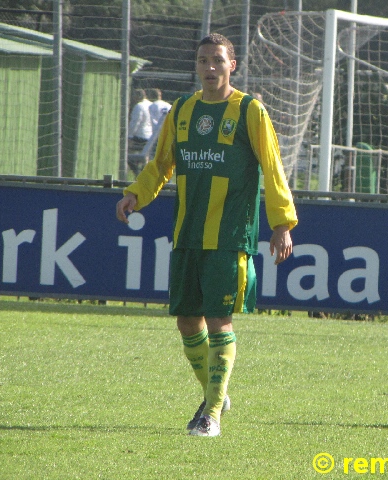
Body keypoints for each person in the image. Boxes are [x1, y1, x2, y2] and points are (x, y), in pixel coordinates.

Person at [116, 33, 298, 437]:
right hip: (188, 233)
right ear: (196, 66)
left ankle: (211, 415)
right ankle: (217, 391)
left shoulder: (250, 110)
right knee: (186, 323)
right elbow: (161, 164)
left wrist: (282, 223)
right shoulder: (181, 110)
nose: (210, 67)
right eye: (203, 60)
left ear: (232, 65)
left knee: (219, 319)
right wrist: (135, 194)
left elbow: (272, 167)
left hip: (229, 235)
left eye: (218, 59)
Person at [128, 89, 153, 175]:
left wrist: (130, 136)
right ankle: (145, 174)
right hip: (151, 137)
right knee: (146, 157)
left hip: (140, 136)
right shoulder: (151, 105)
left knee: (127, 156)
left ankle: (137, 173)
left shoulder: (139, 106)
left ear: (137, 96)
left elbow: (135, 122)